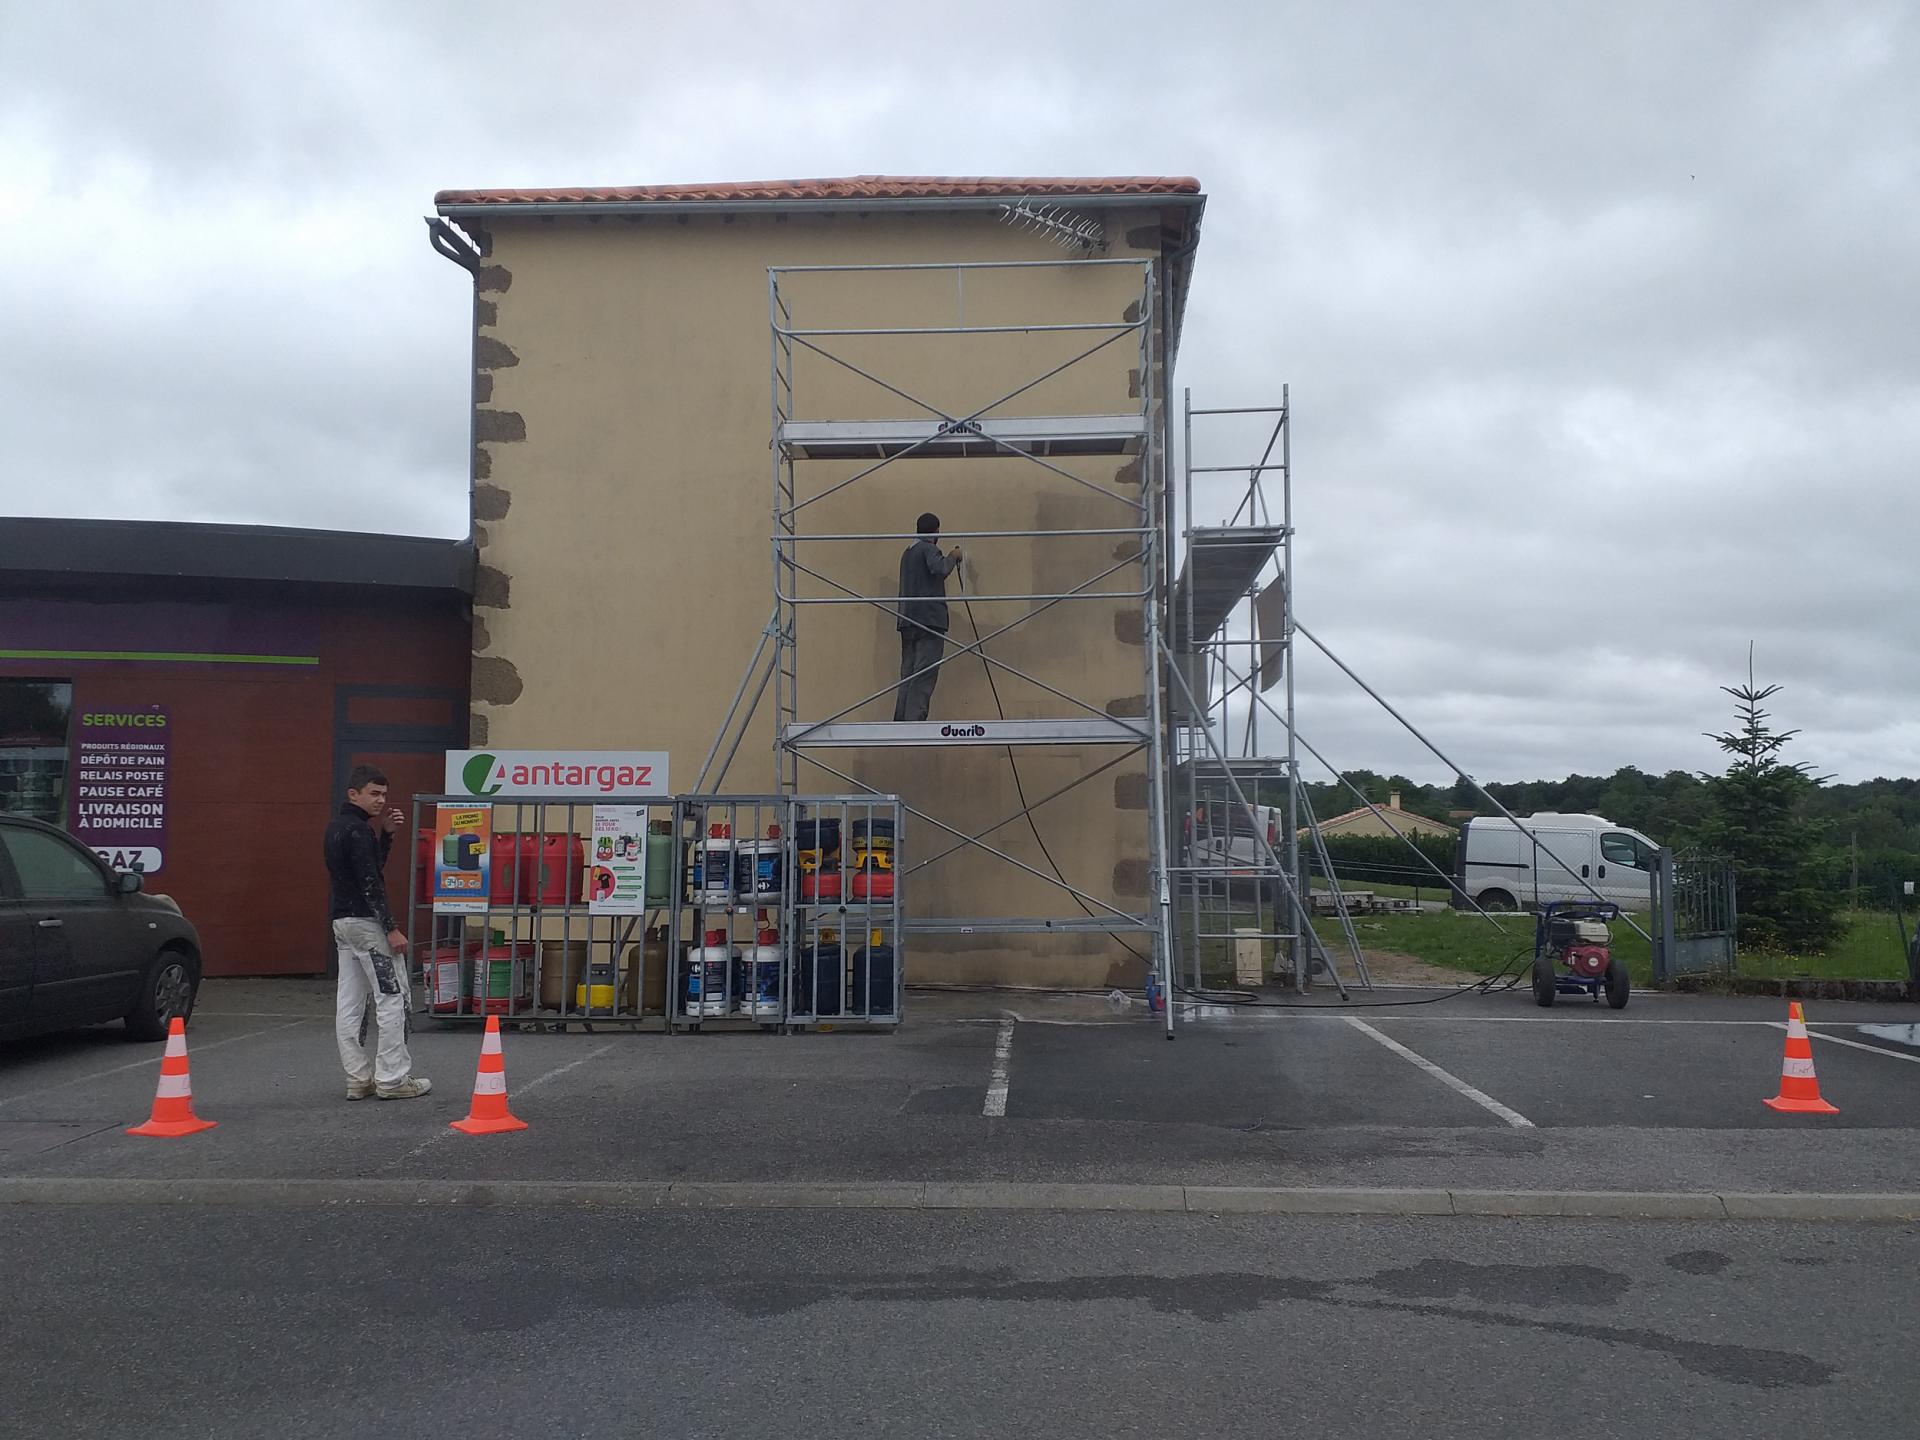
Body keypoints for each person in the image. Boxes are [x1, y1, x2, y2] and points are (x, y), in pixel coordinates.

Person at [323, 765, 430, 1100]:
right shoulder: (358, 831)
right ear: (353, 794)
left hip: (343, 923)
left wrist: (385, 835)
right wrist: (391, 928)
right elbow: (371, 881)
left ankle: (358, 1077)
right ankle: (392, 1078)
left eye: (384, 794)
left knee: (350, 1002)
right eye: (374, 793)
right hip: (368, 925)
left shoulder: (336, 828)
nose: (381, 800)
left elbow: (366, 869)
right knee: (393, 998)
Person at [894, 511, 963, 722]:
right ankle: (914, 721)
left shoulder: (907, 553)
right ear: (936, 532)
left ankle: (900, 721)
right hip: (929, 621)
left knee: (908, 674)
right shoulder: (929, 549)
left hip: (908, 620)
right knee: (924, 673)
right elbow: (939, 568)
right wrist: (953, 556)